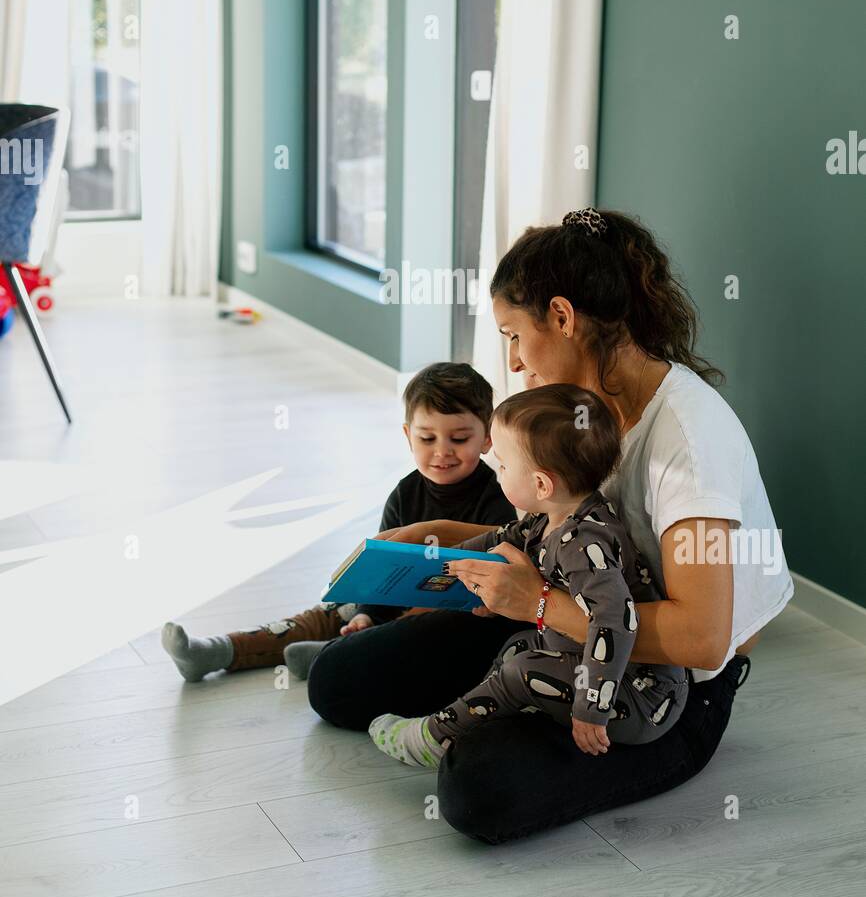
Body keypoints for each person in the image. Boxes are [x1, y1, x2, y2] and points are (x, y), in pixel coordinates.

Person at [308, 207, 793, 844]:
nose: (512, 361)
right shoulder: (573, 413)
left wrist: (535, 605)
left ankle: (489, 712)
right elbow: (550, 533)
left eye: (514, 334)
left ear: (562, 318)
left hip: (663, 691)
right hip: (563, 634)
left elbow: (705, 639)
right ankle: (496, 695)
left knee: (478, 789)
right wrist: (442, 537)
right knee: (338, 680)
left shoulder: (689, 441)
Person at [369, 384, 687, 768]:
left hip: (640, 696)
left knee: (524, 668)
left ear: (540, 484)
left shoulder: (583, 541)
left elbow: (616, 622)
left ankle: (433, 737)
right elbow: (495, 542)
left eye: (503, 464)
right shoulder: (547, 519)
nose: (497, 470)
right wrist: (427, 560)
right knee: (516, 649)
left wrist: (591, 709)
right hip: (597, 671)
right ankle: (474, 726)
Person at [161, 362, 515, 682]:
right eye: (427, 438)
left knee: (421, 622)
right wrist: (366, 614)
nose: (442, 451)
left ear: (486, 438)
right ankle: (217, 650)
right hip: (388, 603)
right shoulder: (405, 494)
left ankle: (333, 655)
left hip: (450, 616)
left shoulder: (497, 494)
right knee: (326, 614)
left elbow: (502, 551)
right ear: (408, 435)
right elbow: (381, 568)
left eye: (459, 439)